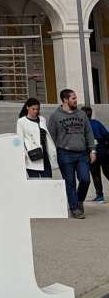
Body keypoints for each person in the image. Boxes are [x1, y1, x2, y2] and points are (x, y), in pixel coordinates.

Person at [47, 89, 95, 220]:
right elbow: (51, 136)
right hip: (64, 153)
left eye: (75, 98)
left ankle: (79, 201)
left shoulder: (81, 114)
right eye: (73, 98)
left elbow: (89, 133)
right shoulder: (55, 116)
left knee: (85, 179)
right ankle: (75, 208)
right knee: (70, 182)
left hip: (82, 154)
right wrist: (55, 152)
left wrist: (92, 150)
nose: (76, 100)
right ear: (65, 100)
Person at [16, 98, 56, 179]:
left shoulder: (42, 119)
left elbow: (47, 137)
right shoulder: (21, 121)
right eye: (33, 109)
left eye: (37, 109)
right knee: (35, 182)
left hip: (45, 154)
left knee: (48, 180)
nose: (35, 111)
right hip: (32, 155)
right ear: (27, 107)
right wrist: (23, 153)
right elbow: (20, 139)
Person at [82, 106, 109, 202]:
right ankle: (99, 195)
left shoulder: (82, 126)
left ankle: (100, 195)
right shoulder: (97, 123)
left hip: (91, 152)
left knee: (95, 174)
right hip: (103, 151)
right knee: (107, 171)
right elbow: (107, 135)